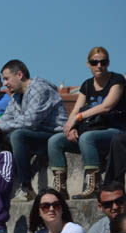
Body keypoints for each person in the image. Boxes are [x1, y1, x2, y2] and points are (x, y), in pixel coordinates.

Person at [50, 47, 126, 198]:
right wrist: (70, 127)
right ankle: (60, 189)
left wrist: (79, 117)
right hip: (91, 129)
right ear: (88, 64)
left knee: (87, 138)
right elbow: (76, 109)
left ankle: (93, 186)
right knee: (55, 141)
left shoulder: (117, 80)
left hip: (114, 130)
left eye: (103, 62)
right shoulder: (87, 85)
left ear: (108, 63)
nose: (99, 65)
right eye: (94, 62)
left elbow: (107, 106)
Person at [0, 59, 68, 201]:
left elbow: (30, 121)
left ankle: (26, 187)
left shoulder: (39, 89)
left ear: (19, 75)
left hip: (52, 134)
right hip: (34, 134)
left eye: (6, 78)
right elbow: (6, 119)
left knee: (17, 135)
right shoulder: (16, 96)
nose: (4, 83)